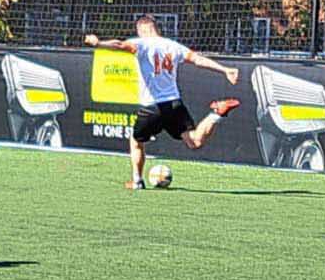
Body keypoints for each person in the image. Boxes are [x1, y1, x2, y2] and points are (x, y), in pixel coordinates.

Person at [84, 15, 242, 190]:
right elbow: (198, 60)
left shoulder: (142, 44)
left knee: (136, 140)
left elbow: (120, 45)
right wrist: (225, 69)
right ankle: (216, 114)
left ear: (143, 29)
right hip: (174, 104)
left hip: (152, 107)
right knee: (194, 140)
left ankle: (137, 181)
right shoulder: (173, 46)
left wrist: (99, 43)